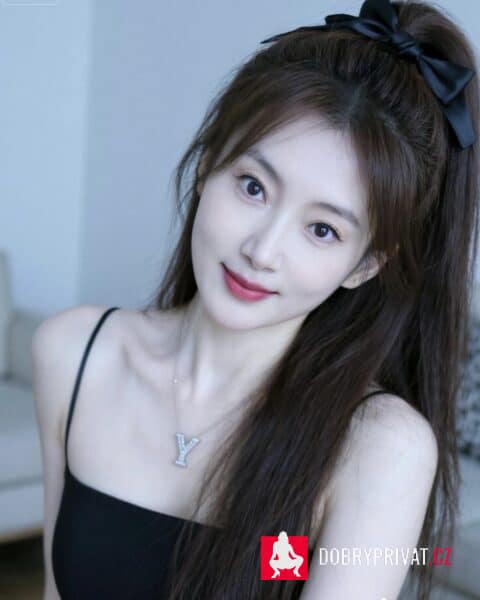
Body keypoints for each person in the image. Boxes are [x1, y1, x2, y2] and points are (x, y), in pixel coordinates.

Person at [32, 0, 479, 598]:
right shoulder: (73, 355)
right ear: (206, 165)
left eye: (322, 230)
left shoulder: (378, 446)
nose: (262, 251)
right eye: (252, 187)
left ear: (366, 264)